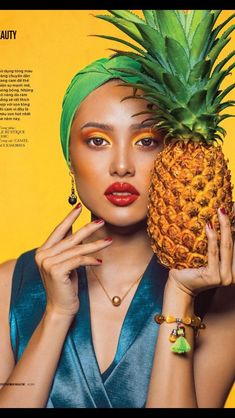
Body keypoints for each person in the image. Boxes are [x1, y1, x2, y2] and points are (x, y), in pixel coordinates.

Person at [0, 55, 235, 409]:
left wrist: (180, 293)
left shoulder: (219, 295)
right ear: (69, 157)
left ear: (175, 158)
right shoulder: (9, 286)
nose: (121, 165)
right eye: (97, 141)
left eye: (146, 141)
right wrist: (56, 315)